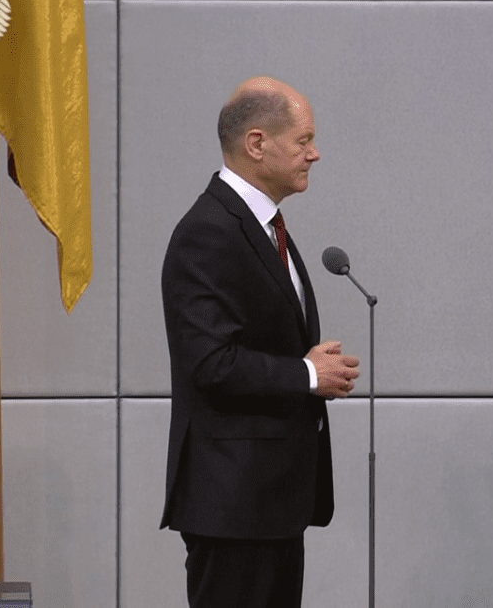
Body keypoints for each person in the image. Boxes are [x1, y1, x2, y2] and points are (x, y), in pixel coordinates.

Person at [160, 77, 360, 608]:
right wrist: (308, 375)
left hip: (270, 502)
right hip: (231, 504)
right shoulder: (208, 231)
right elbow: (210, 363)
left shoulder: (265, 226)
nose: (315, 154)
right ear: (257, 144)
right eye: (303, 140)